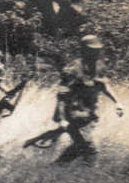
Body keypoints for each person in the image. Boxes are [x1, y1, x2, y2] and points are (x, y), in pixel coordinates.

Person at [51, 35, 124, 164]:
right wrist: (62, 119)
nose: (96, 53)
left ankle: (58, 166)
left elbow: (104, 86)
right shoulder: (72, 69)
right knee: (88, 146)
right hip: (72, 113)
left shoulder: (99, 66)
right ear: (84, 50)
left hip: (89, 113)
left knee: (81, 144)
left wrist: (117, 102)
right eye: (92, 50)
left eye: (97, 50)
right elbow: (62, 97)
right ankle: (88, 168)